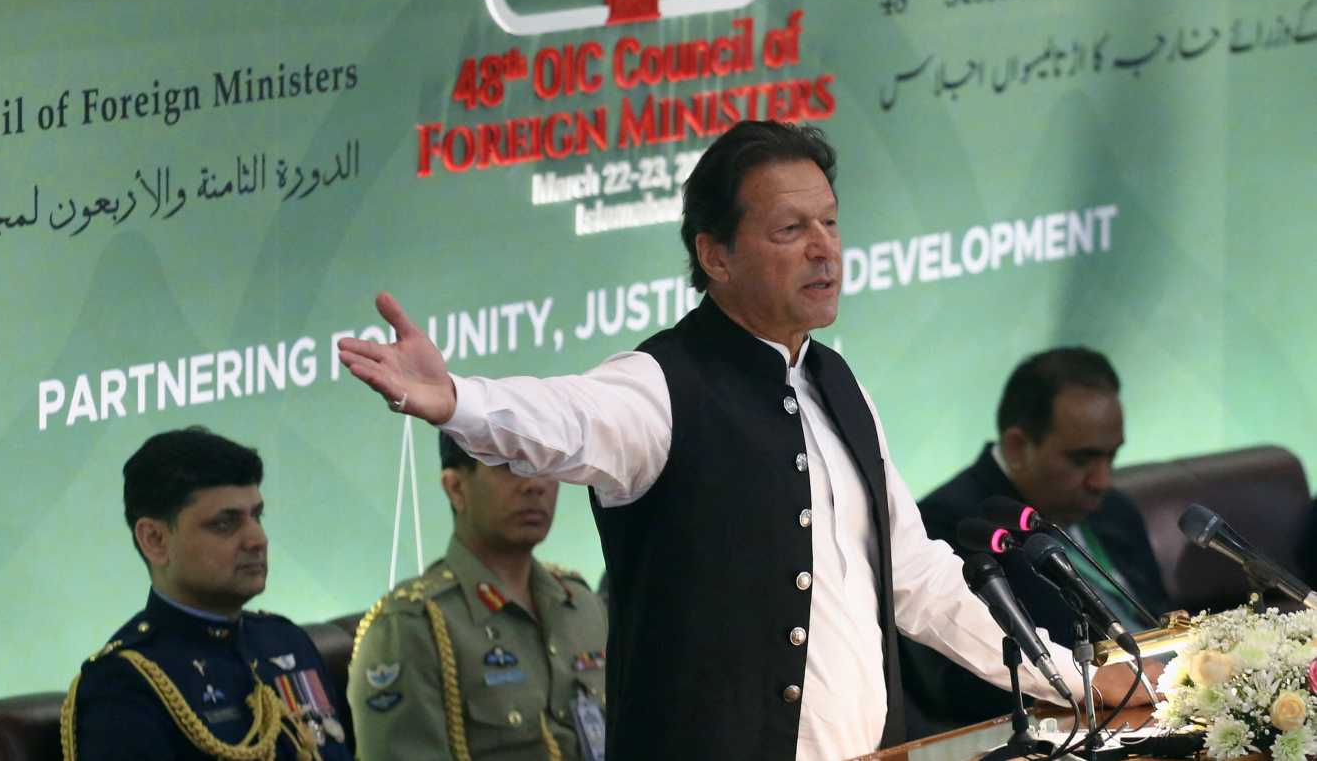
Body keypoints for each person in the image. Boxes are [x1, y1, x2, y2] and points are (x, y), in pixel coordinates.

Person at [337, 120, 1147, 760]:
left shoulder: (838, 382)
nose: (824, 247)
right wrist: (453, 400)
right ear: (714, 254)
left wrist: (1067, 678)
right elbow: (564, 421)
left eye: (830, 222)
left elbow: (919, 578)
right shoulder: (661, 385)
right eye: (791, 228)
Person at [901, 347, 1172, 732]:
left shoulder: (1115, 508)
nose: (1102, 480)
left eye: (1112, 457)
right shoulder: (948, 524)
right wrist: (1089, 684)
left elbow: (1160, 618)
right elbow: (956, 686)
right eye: (1082, 460)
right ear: (1017, 447)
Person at [62, 427, 353, 761]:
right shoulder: (124, 684)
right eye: (225, 524)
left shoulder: (285, 641)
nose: (257, 539)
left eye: (257, 516)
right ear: (155, 540)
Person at [347, 433, 609, 760]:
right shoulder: (411, 626)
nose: (535, 484)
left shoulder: (582, 606)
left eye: (545, 464)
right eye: (510, 466)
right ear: (456, 488)